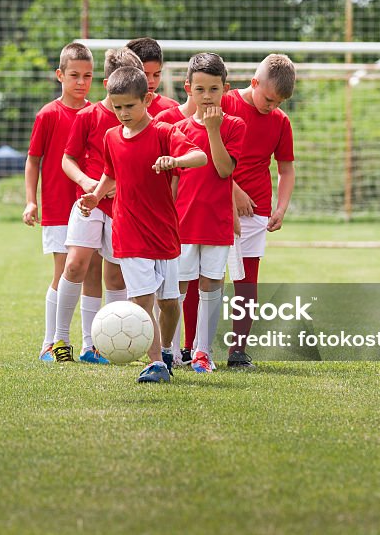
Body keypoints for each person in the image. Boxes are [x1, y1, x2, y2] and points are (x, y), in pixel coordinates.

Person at [79, 66, 207, 383]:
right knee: (141, 300)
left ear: (147, 99)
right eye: (117, 106)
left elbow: (200, 156)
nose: (122, 113)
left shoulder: (163, 132)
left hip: (163, 231)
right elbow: (111, 173)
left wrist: (175, 160)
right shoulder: (111, 137)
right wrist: (96, 195)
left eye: (129, 106)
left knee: (168, 302)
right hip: (128, 231)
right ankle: (155, 364)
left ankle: (165, 350)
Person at [54, 48, 145, 363]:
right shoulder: (88, 116)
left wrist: (118, 186)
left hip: (122, 208)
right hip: (89, 204)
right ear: (109, 83)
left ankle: (99, 346)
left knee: (116, 278)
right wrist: (86, 183)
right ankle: (60, 341)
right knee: (76, 264)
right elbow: (67, 159)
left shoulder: (138, 119)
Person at [222, 54, 297, 369]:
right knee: (202, 279)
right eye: (268, 99)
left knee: (247, 283)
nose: (273, 106)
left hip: (255, 212)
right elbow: (206, 149)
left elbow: (286, 168)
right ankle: (189, 349)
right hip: (214, 204)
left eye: (279, 102)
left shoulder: (280, 121)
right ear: (254, 83)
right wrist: (233, 190)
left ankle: (237, 352)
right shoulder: (225, 103)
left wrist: (281, 206)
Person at [173, 54, 245, 373]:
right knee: (177, 288)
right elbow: (173, 182)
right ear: (188, 88)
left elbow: (223, 169)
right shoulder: (176, 129)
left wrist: (214, 131)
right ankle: (171, 350)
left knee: (211, 284)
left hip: (216, 223)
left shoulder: (235, 126)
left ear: (225, 89)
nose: (206, 96)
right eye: (199, 89)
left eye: (213, 89)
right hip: (182, 223)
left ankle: (203, 352)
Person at [23, 43, 94, 362]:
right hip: (56, 206)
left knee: (90, 272)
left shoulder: (98, 113)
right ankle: (50, 343)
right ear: (60, 76)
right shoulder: (48, 115)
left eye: (88, 76)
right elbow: (33, 160)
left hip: (90, 206)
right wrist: (30, 201)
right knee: (63, 271)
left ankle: (91, 345)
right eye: (74, 75)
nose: (81, 82)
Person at [126, 37, 180, 118]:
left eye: (156, 75)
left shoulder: (172, 108)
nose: (151, 81)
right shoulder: (118, 107)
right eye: (145, 75)